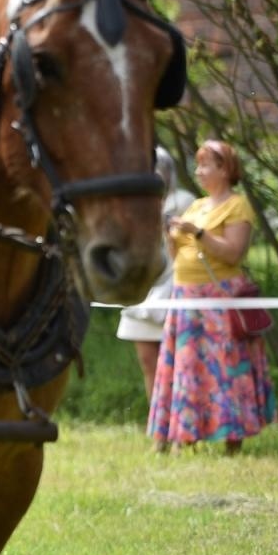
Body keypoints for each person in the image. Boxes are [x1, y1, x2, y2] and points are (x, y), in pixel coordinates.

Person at [149, 139, 276, 453]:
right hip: (186, 298)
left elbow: (233, 253)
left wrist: (198, 233)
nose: (199, 171)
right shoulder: (196, 206)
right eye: (198, 165)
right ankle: (182, 434)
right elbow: (176, 256)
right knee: (187, 369)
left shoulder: (237, 206)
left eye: (206, 165)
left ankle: (233, 437)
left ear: (225, 169)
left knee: (226, 366)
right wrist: (170, 236)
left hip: (220, 299)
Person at [117, 146, 196, 400]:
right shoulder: (130, 204)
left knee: (178, 364)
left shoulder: (184, 201)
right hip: (143, 287)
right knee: (148, 362)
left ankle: (180, 416)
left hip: (175, 285)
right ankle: (157, 417)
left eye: (159, 170)